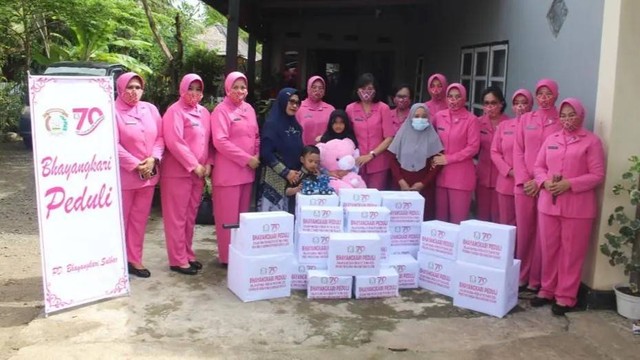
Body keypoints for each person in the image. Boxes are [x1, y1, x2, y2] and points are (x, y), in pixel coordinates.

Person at [530, 98, 605, 316]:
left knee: (571, 253)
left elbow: (597, 175)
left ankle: (566, 296)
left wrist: (569, 184)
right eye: (563, 115)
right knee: (549, 249)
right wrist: (544, 182)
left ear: (581, 116)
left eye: (571, 115)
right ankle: (547, 289)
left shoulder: (592, 142)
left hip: (578, 208)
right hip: (548, 205)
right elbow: (538, 166)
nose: (567, 119)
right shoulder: (551, 138)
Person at [513, 79, 562, 293]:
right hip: (524, 186)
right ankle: (521, 275)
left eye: (548, 94)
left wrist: (540, 181)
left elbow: (561, 155)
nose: (544, 98)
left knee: (543, 236)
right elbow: (518, 151)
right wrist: (525, 179)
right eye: (540, 94)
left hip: (546, 186)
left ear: (555, 95)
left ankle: (537, 279)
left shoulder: (561, 119)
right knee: (524, 232)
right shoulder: (526, 119)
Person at [161, 73, 212, 275]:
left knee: (190, 217)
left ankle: (188, 254)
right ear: (182, 89)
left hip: (198, 174)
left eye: (198, 89)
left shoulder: (204, 113)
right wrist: (193, 164)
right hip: (177, 173)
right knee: (177, 217)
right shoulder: (174, 111)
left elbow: (208, 142)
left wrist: (208, 163)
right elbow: (174, 141)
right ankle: (177, 259)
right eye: (190, 88)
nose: (194, 93)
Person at [115, 72, 164, 278]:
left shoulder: (150, 109)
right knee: (121, 220)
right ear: (120, 88)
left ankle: (134, 259)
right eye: (129, 87)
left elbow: (160, 138)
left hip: (149, 176)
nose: (134, 92)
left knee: (139, 220)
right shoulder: (112, 111)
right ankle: (116, 260)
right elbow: (112, 143)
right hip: (125, 177)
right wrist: (135, 164)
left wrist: (153, 158)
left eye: (138, 87)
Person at [211, 71, 260, 266]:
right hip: (228, 174)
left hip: (247, 173)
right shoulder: (221, 110)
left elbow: (256, 135)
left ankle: (239, 254)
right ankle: (226, 258)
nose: (239, 91)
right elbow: (220, 141)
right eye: (236, 87)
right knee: (227, 219)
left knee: (242, 219)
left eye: (243, 87)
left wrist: (256, 154)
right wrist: (247, 159)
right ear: (227, 88)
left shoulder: (249, 109)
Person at [432, 83, 479, 224]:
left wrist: (448, 159)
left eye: (458, 97)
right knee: (440, 221)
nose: (453, 100)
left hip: (461, 177)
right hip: (440, 174)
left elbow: (473, 147)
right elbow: (431, 140)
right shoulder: (439, 116)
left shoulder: (471, 120)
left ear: (464, 98)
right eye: (450, 96)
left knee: (457, 222)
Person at [388, 103, 443, 220]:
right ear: (410, 117)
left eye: (424, 116)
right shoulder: (402, 134)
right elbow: (392, 159)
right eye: (417, 116)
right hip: (401, 186)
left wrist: (423, 183)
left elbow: (437, 163)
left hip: (424, 188)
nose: (420, 119)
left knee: (422, 220)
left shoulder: (432, 136)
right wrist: (401, 181)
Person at [491, 89, 533, 226]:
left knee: (525, 224)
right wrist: (509, 171)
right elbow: (495, 152)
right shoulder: (504, 126)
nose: (520, 106)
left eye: (524, 103)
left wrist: (525, 175)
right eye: (516, 103)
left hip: (528, 183)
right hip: (506, 182)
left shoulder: (536, 127)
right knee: (506, 224)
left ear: (531, 104)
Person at [258, 87, 304, 213]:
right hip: (274, 181)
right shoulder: (272, 124)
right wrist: (286, 172)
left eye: (297, 103)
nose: (294, 105)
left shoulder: (296, 126)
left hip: (294, 180)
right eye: (291, 101)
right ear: (283, 101)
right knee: (274, 224)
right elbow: (266, 153)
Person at [345, 73, 394, 190]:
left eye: (370, 89)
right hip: (357, 162)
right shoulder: (350, 108)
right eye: (363, 88)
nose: (366, 92)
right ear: (357, 90)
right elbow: (346, 135)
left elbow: (389, 138)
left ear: (375, 90)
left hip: (378, 163)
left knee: (374, 200)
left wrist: (371, 155)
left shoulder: (384, 108)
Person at [476, 86, 510, 222]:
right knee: (481, 217)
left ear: (501, 104)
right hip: (482, 177)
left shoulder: (509, 124)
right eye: (486, 103)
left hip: (502, 178)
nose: (490, 106)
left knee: (499, 218)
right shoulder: (477, 123)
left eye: (494, 103)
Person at [296, 76, 335, 145]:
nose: (317, 90)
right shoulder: (299, 107)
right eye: (314, 87)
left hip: (325, 151)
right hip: (304, 152)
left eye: (321, 88)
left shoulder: (330, 109)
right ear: (308, 88)